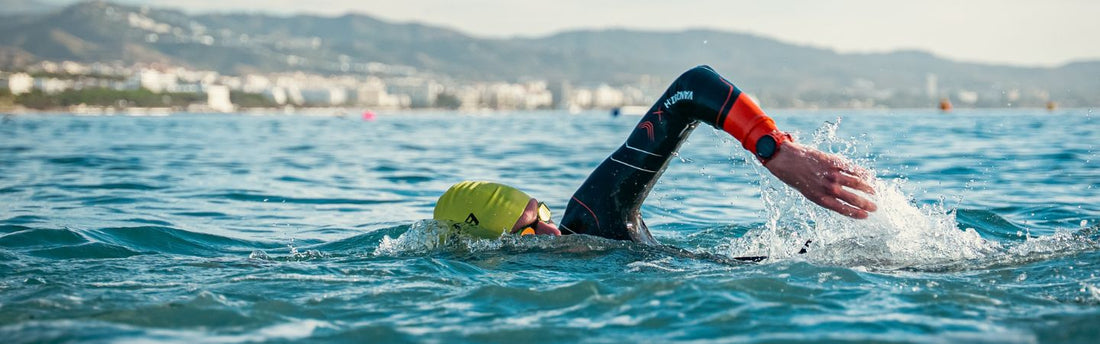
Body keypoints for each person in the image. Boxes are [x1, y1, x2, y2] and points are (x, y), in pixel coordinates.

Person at [433, 65, 877, 247]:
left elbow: (692, 88)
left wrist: (773, 147)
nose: (552, 228)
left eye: (540, 212)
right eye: (527, 232)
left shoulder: (593, 217)